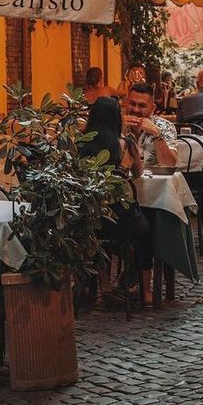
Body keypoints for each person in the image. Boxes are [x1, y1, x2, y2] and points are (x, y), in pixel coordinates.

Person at [81, 97, 153, 303]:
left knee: (98, 236)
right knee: (147, 231)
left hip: (91, 219)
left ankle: (104, 286)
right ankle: (146, 290)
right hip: (123, 220)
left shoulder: (82, 145)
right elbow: (138, 174)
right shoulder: (126, 145)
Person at [123, 82, 178, 168]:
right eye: (132, 104)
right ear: (125, 103)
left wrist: (157, 134)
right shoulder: (115, 124)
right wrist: (117, 128)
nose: (136, 110)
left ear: (153, 108)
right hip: (120, 180)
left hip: (156, 180)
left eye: (142, 106)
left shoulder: (165, 126)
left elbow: (169, 165)